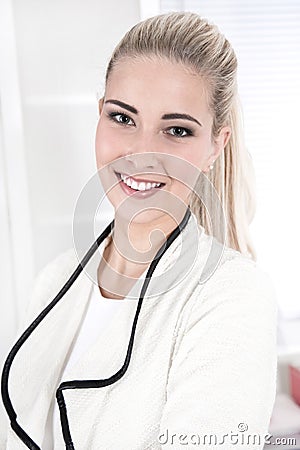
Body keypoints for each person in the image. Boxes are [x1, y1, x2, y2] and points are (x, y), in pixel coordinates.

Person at [0, 11, 277, 450]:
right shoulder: (54, 281)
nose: (142, 153)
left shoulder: (232, 296)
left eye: (176, 130)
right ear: (99, 116)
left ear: (215, 147)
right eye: (123, 118)